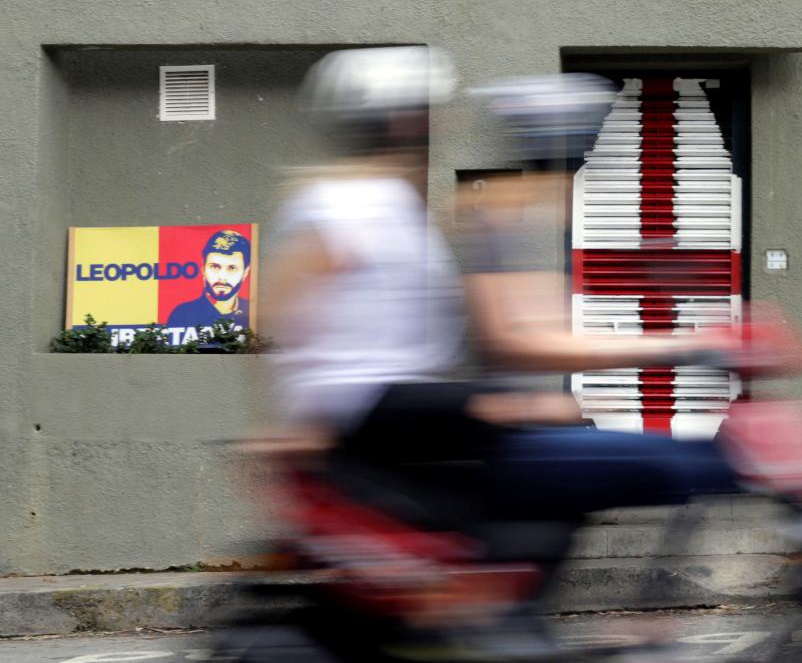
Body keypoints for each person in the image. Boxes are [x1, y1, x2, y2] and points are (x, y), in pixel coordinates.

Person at [260, 47, 748, 547]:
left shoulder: (398, 202)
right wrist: (296, 420)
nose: (439, 121)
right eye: (428, 110)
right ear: (399, 119)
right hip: (372, 404)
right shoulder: (345, 203)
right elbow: (284, 312)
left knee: (564, 457)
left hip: (398, 400)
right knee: (567, 444)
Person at [166, 229, 251, 329]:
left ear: (245, 272)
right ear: (203, 269)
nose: (222, 278)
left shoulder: (252, 311)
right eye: (215, 267)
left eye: (232, 268)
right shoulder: (183, 315)